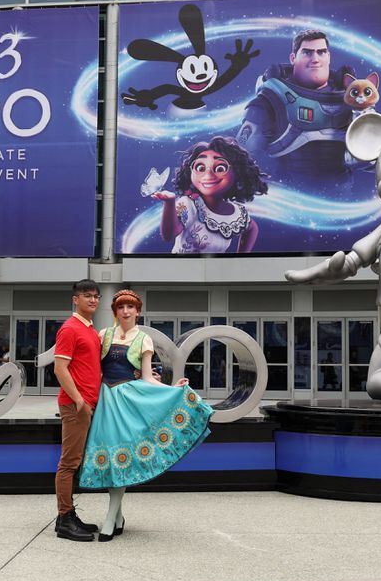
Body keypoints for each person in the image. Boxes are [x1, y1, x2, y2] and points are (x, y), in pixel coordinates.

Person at [79, 289, 214, 541]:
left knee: (121, 457)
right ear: (115, 312)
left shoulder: (144, 339)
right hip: (106, 401)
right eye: (121, 307)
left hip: (129, 402)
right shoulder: (103, 335)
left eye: (130, 307)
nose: (126, 311)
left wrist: (173, 390)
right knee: (110, 456)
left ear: (138, 311)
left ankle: (110, 518)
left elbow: (148, 377)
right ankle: (118, 516)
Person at [237, 29, 356, 191]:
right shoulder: (268, 103)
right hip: (289, 201)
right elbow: (241, 159)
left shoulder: (355, 99)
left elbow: (372, 160)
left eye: (321, 52)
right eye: (307, 53)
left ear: (328, 57)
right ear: (293, 58)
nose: (315, 59)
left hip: (343, 199)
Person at [152, 135, 268, 253]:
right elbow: (169, 235)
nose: (208, 175)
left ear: (237, 172)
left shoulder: (237, 213)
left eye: (220, 168)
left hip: (217, 270)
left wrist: (241, 258)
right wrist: (169, 203)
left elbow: (252, 228)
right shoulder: (189, 204)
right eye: (200, 167)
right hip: (182, 269)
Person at [52, 279, 103, 542]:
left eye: (96, 296)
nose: (93, 300)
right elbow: (59, 369)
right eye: (87, 296)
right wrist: (80, 401)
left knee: (76, 462)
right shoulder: (70, 329)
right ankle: (64, 519)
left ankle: (69, 515)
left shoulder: (91, 331)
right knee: (69, 463)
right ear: (75, 299)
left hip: (87, 405)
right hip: (75, 406)